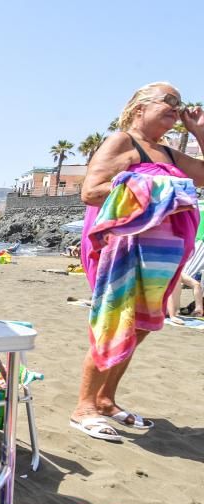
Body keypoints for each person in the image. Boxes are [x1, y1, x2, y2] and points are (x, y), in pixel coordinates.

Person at [70, 82, 204, 442]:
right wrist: (152, 189)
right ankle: (84, 406)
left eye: (181, 102)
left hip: (161, 257)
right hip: (124, 249)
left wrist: (200, 133)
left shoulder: (170, 153)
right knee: (115, 322)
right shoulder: (121, 142)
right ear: (140, 107)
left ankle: (106, 399)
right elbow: (91, 192)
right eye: (169, 101)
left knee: (140, 326)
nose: (177, 108)